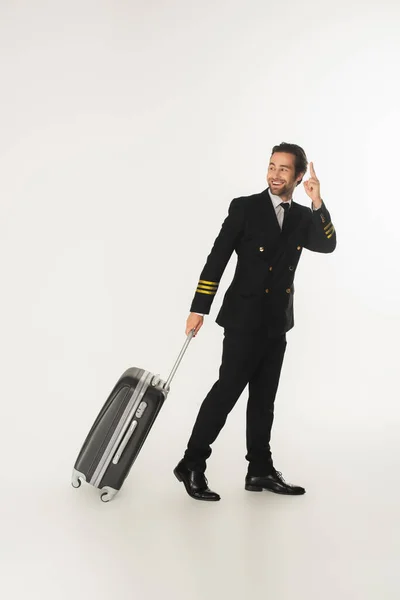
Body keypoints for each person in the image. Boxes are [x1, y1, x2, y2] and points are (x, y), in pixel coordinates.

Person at [173, 142, 337, 501]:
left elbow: (328, 245)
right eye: (271, 166)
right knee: (226, 393)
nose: (275, 175)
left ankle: (259, 470)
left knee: (264, 400)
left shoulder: (301, 217)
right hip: (244, 320)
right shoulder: (246, 208)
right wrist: (198, 308)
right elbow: (216, 258)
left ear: (298, 176)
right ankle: (191, 463)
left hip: (277, 323)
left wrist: (318, 202)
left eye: (283, 170)